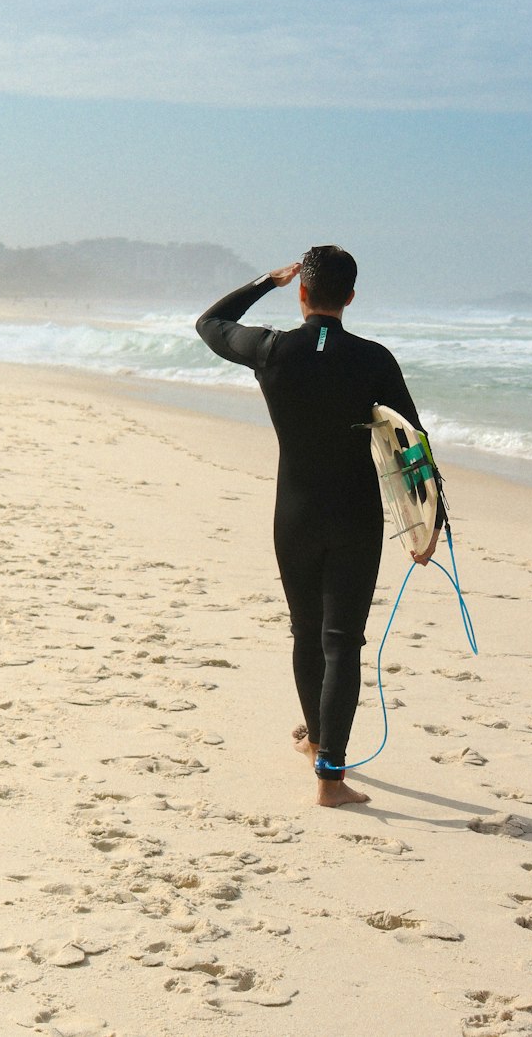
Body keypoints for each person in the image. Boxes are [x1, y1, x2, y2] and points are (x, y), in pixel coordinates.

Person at [196, 245, 443, 808]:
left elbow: (209, 324)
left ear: (303, 292)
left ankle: (317, 746)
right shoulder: (374, 358)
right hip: (355, 515)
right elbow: (413, 444)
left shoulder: (272, 349)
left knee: (307, 634)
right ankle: (329, 776)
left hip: (295, 512)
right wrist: (430, 525)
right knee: (342, 644)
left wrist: (267, 280)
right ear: (351, 297)